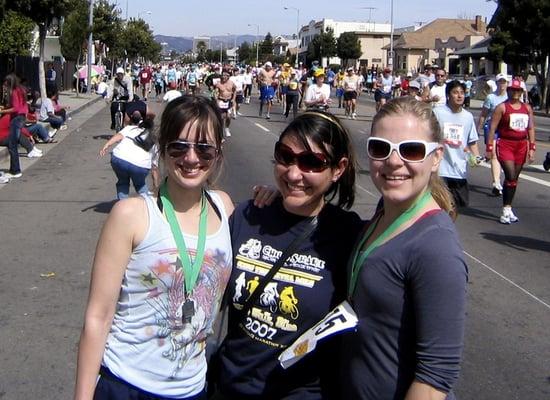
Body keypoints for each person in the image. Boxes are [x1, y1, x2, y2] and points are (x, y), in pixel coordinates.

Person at [75, 95, 234, 400]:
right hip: (126, 385)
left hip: (192, 389)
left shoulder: (224, 208)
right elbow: (98, 316)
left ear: (218, 153)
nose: (191, 159)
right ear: (161, 148)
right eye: (178, 147)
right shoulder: (131, 215)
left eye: (204, 149)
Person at [215, 111, 363, 399]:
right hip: (230, 386)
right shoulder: (247, 216)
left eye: (311, 162)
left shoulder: (350, 235)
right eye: (285, 156)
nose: (294, 174)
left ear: (338, 168)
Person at [343, 96, 467, 399]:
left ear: (436, 157)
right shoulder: (384, 214)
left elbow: (435, 377)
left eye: (411, 150)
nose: (394, 161)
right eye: (380, 148)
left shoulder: (436, 246)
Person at [486, 78, 536, 224]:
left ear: (521, 92)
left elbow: (531, 128)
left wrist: (532, 147)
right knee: (510, 174)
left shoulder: (526, 108)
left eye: (518, 90)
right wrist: (490, 147)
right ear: (508, 90)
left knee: (514, 179)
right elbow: (492, 128)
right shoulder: (502, 107)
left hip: (521, 145)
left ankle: (508, 208)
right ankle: (505, 210)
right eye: (513, 90)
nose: (515, 93)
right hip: (506, 144)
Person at [434, 80, 481, 208]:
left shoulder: (468, 117)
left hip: (459, 169)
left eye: (462, 93)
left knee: (455, 208)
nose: (459, 96)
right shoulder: (437, 113)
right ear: (448, 95)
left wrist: (476, 157)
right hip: (440, 169)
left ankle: (447, 227)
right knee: (440, 206)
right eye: (455, 92)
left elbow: (472, 141)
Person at [99, 110, 156, 200]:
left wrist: (107, 145)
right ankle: (148, 204)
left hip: (119, 158)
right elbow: (154, 168)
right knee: (140, 185)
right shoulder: (154, 140)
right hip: (140, 165)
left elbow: (119, 136)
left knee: (123, 182)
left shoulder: (131, 128)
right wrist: (156, 186)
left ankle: (122, 205)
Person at [477, 73, 509, 196]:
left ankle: (503, 179)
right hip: (492, 128)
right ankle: (496, 182)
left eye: (504, 82)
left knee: (503, 155)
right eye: (500, 82)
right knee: (495, 154)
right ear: (496, 83)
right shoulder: (491, 97)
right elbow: (484, 115)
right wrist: (477, 129)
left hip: (505, 128)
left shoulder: (509, 97)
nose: (502, 84)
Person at [0, 73, 28, 179]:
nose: (5, 85)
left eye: (6, 83)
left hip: (16, 118)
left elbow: (15, 108)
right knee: (13, 144)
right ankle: (13, 169)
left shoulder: (14, 91)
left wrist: (3, 110)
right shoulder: (20, 90)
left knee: (12, 145)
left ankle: (15, 170)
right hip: (21, 117)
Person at [214, 70, 236, 137]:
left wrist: (233, 99)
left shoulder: (231, 83)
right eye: (223, 75)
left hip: (228, 101)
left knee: (228, 116)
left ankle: (226, 128)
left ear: (228, 77)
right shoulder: (219, 83)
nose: (223, 77)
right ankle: (220, 130)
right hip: (221, 100)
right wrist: (216, 100)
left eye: (225, 76)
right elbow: (216, 93)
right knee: (221, 117)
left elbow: (235, 91)